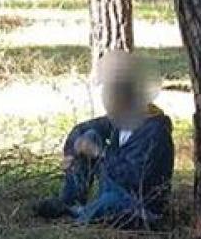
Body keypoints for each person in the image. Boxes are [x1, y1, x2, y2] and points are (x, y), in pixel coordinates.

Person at [33, 50, 174, 229]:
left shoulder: (155, 131)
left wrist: (100, 153)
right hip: (112, 189)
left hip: (139, 205)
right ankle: (70, 201)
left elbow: (131, 179)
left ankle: (78, 215)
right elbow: (82, 129)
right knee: (89, 135)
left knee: (110, 202)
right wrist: (73, 150)